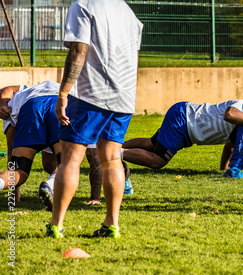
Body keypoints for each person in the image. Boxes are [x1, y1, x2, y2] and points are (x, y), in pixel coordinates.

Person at [46, 0, 143, 239]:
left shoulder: (84, 5)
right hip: (124, 94)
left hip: (91, 93)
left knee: (71, 157)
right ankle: (112, 224)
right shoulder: (128, 12)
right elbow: (135, 55)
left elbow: (79, 50)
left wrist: (63, 92)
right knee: (112, 159)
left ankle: (56, 225)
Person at [122, 98, 243, 171]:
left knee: (152, 144)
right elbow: (229, 114)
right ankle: (114, 154)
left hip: (184, 118)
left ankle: (114, 146)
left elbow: (230, 146)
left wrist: (223, 170)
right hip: (184, 120)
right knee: (158, 161)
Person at [0, 81, 61, 210]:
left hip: (31, 108)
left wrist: (13, 193)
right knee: (68, 163)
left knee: (19, 170)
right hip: (57, 103)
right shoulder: (23, 90)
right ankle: (50, 185)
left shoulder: (16, 100)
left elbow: (11, 155)